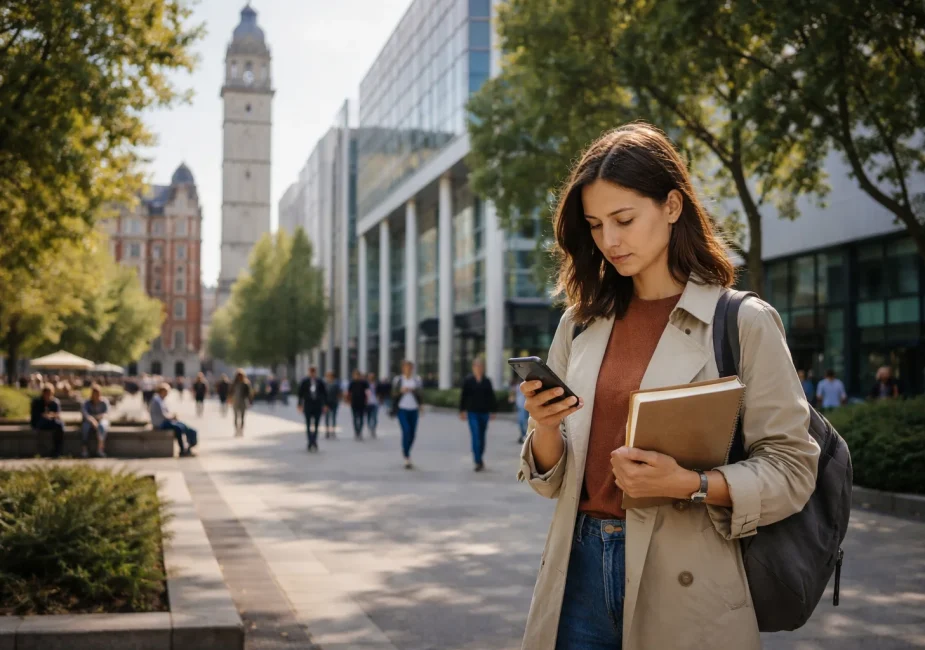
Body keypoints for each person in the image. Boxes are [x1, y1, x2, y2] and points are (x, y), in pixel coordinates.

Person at [517, 124, 819, 650]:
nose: (609, 240)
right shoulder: (580, 323)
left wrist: (690, 484)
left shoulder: (741, 322)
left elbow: (793, 468)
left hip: (688, 581)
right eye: (595, 225)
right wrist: (544, 426)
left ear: (673, 206)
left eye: (624, 219)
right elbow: (549, 480)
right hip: (576, 573)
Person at [459, 357, 497, 471]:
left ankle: (480, 457)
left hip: (484, 412)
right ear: (473, 367)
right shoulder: (468, 380)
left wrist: (493, 411)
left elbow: (491, 396)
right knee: (476, 435)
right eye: (476, 366)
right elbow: (463, 396)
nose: (478, 368)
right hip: (472, 412)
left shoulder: (487, 381)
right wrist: (462, 410)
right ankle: (477, 461)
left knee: (482, 436)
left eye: (480, 366)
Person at [150, 383, 197, 456]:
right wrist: (172, 417)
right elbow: (163, 415)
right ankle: (182, 449)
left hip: (164, 421)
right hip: (160, 423)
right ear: (162, 391)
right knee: (179, 428)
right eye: (167, 392)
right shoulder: (157, 400)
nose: (167, 394)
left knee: (183, 426)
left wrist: (172, 417)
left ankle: (188, 446)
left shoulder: (160, 400)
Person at [392, 360, 422, 469]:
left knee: (413, 434)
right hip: (402, 409)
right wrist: (401, 391)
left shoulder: (417, 380)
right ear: (403, 368)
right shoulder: (398, 380)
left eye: (410, 367)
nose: (408, 369)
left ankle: (406, 450)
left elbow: (420, 394)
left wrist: (414, 392)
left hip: (414, 409)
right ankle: (407, 456)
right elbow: (393, 394)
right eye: (406, 367)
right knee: (406, 430)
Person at [297, 367, 327, 452]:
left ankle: (314, 440)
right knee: (308, 424)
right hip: (308, 405)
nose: (312, 373)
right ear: (309, 372)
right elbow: (300, 394)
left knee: (317, 424)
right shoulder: (305, 381)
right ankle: (310, 441)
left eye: (314, 372)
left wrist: (325, 405)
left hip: (317, 405)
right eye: (311, 371)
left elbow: (324, 393)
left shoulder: (320, 381)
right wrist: (299, 404)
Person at [31, 383, 65, 458]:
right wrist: (44, 415)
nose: (48, 396)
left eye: (49, 394)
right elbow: (35, 415)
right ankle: (40, 450)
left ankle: (57, 451)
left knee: (60, 425)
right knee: (43, 422)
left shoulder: (55, 402)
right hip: (40, 422)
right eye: (46, 394)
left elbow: (57, 415)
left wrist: (51, 415)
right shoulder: (37, 402)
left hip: (51, 422)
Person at [81, 384, 110, 458]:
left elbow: (106, 414)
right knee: (85, 427)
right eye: (94, 394)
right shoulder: (86, 403)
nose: (96, 396)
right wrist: (93, 420)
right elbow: (85, 414)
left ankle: (100, 449)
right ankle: (85, 450)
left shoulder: (104, 402)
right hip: (89, 421)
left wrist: (98, 418)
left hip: (101, 420)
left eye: (98, 394)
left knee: (102, 426)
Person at [346, 369, 369, 440]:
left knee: (361, 418)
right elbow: (349, 393)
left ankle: (360, 431)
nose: (356, 377)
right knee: (355, 418)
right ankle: (356, 431)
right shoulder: (352, 383)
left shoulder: (364, 383)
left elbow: (367, 392)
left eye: (357, 375)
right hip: (354, 402)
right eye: (355, 375)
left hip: (362, 403)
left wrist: (367, 400)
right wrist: (348, 400)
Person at [230, 369, 254, 434]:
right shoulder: (234, 383)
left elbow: (249, 393)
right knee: (235, 416)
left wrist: (250, 401)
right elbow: (230, 392)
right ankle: (236, 429)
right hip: (236, 401)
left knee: (242, 417)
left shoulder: (246, 383)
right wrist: (230, 399)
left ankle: (241, 429)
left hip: (243, 401)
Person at [510, 374, 529, 444]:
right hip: (519, 407)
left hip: (524, 407)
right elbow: (512, 395)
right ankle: (523, 435)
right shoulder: (517, 386)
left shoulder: (526, 385)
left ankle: (525, 435)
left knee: (524, 421)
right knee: (520, 422)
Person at [323, 371, 342, 438]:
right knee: (327, 418)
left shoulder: (336, 384)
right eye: (328, 376)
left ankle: (333, 431)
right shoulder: (325, 384)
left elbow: (339, 393)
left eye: (330, 376)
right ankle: (327, 431)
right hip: (327, 403)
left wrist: (338, 400)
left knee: (333, 417)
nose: (329, 377)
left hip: (334, 403)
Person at [366, 372, 380, 439]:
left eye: (372, 376)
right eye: (370, 376)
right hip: (367, 403)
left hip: (375, 402)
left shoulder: (376, 384)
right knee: (368, 416)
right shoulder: (365, 384)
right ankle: (369, 427)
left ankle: (373, 429)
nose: (371, 378)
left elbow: (380, 392)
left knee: (374, 417)